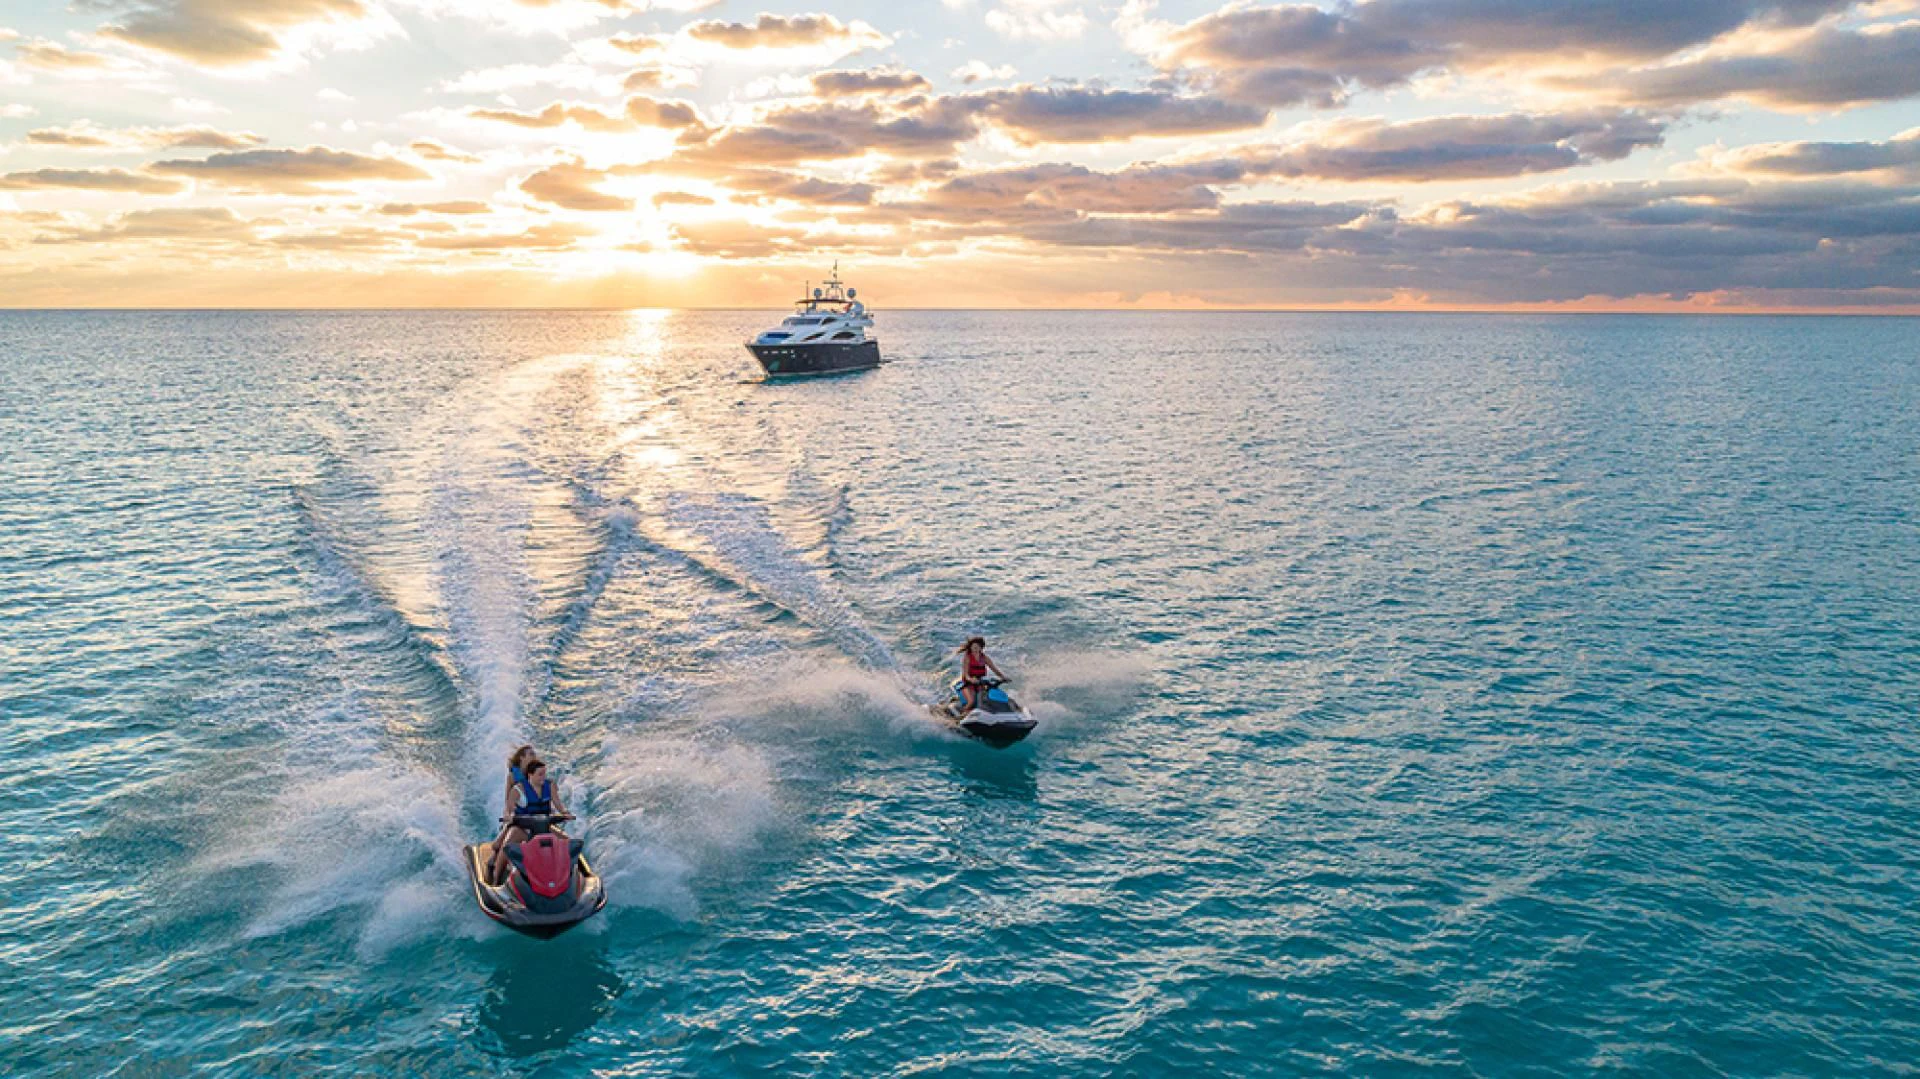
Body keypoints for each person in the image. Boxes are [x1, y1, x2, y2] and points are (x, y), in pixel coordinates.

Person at [488, 758, 572, 885]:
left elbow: (558, 804)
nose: (543, 777)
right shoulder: (518, 789)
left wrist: (565, 813)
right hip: (522, 827)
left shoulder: (550, 786)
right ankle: (496, 878)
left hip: (543, 825)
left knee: (566, 840)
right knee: (508, 845)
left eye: (544, 773)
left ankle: (571, 875)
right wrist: (508, 816)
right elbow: (508, 809)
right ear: (530, 775)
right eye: (540, 774)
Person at [955, 636, 1007, 716]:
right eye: (973, 647)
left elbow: (995, 670)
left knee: (986, 700)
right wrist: (971, 679)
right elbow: (966, 674)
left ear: (981, 648)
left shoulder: (984, 658)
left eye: (977, 647)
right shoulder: (968, 657)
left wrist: (1003, 677)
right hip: (968, 684)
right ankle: (961, 715)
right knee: (971, 701)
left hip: (980, 683)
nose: (974, 649)